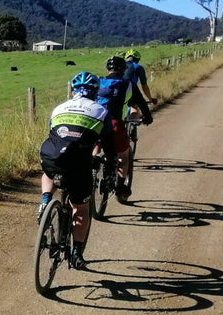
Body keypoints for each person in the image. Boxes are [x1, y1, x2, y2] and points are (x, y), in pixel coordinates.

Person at [38, 72, 114, 270]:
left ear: (73, 91)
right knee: (80, 208)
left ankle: (46, 199)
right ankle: (76, 253)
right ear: (96, 92)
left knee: (49, 171)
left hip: (50, 156)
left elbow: (54, 132)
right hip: (79, 162)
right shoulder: (101, 110)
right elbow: (108, 141)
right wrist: (111, 162)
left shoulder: (59, 108)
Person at [97, 56, 152, 201]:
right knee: (124, 155)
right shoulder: (127, 84)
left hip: (94, 122)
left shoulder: (98, 81)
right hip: (114, 123)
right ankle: (121, 186)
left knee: (95, 146)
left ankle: (92, 165)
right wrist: (148, 117)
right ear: (123, 69)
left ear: (108, 69)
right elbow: (140, 102)